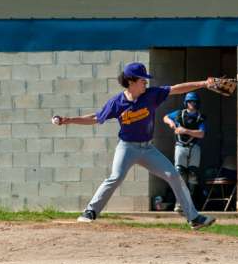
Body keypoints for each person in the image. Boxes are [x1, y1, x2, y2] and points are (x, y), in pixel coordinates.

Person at [52, 62, 216, 230]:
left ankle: (193, 217)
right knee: (115, 177)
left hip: (148, 149)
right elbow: (96, 117)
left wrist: (203, 83)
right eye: (142, 80)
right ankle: (90, 211)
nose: (146, 82)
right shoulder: (118, 102)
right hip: (127, 147)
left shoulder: (151, 95)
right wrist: (68, 120)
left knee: (174, 175)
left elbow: (176, 88)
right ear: (131, 81)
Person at [163, 92, 206, 212]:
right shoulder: (178, 114)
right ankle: (179, 203)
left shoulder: (199, 117)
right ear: (186, 103)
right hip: (180, 146)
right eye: (190, 101)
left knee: (193, 175)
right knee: (179, 174)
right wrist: (171, 123)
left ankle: (190, 203)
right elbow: (165, 117)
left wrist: (185, 130)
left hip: (194, 146)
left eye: (194, 102)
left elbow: (201, 133)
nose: (192, 104)